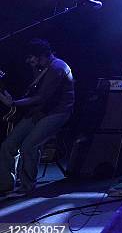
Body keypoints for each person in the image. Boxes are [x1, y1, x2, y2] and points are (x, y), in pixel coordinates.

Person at [0, 39, 74, 195]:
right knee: (8, 145)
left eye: (30, 57)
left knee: (29, 146)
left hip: (57, 112)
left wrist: (13, 103)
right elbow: (34, 94)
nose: (28, 61)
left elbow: (42, 97)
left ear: (41, 55)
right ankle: (6, 184)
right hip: (39, 111)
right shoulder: (43, 68)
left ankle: (27, 186)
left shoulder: (57, 68)